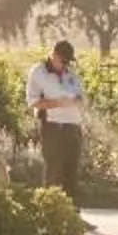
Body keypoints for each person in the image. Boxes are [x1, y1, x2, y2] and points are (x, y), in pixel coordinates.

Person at [26, 38, 87, 200]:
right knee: (54, 172)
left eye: (68, 61)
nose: (66, 65)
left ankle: (73, 216)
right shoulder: (38, 72)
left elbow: (81, 97)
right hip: (53, 127)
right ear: (54, 55)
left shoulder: (71, 73)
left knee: (71, 173)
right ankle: (50, 213)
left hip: (73, 127)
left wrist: (78, 103)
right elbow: (33, 102)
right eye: (63, 61)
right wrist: (59, 103)